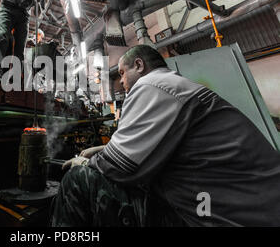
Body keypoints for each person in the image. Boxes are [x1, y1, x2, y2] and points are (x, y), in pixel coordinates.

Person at [52, 44, 280, 227]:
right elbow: (165, 142)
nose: (121, 82)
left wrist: (87, 162)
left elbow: (120, 167)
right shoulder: (175, 83)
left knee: (78, 180)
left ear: (139, 65)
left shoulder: (152, 85)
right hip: (253, 208)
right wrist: (103, 148)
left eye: (122, 73)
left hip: (217, 216)